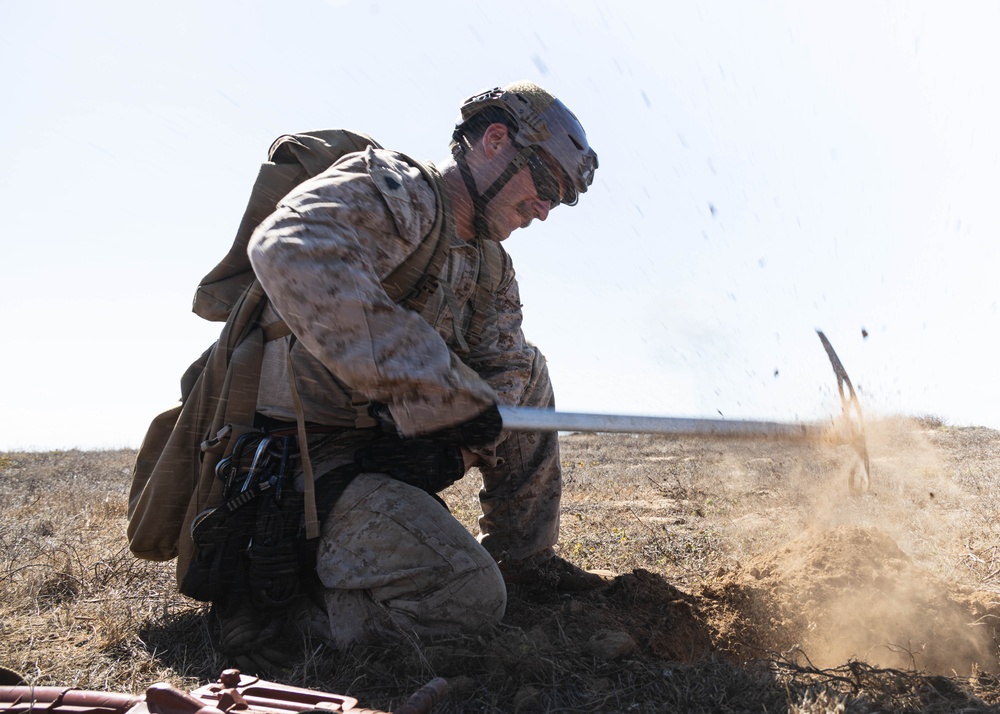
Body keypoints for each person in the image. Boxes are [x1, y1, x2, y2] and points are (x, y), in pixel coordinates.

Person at [240, 80, 603, 650]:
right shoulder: (401, 192)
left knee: (527, 376)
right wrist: (435, 391)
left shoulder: (491, 266)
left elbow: (506, 373)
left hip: (383, 458)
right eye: (547, 183)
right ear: (495, 141)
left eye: (559, 199)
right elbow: (285, 245)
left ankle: (525, 565)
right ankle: (298, 613)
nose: (544, 210)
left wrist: (457, 444)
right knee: (469, 598)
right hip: (307, 467)